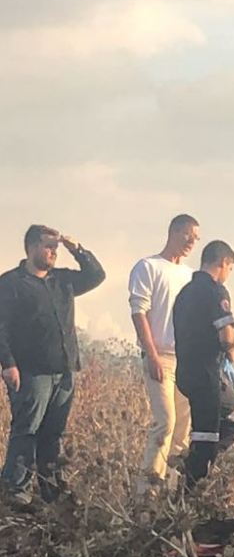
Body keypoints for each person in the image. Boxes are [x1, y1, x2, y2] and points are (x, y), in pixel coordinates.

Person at [0, 226, 106, 503]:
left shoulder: (63, 280)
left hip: (65, 370)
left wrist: (76, 248)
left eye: (56, 249)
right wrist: (8, 364)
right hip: (31, 372)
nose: (53, 253)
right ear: (32, 247)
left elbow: (97, 275)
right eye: (48, 247)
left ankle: (51, 489)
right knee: (27, 429)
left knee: (53, 433)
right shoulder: (11, 283)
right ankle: (15, 490)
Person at [129, 214, 200, 494]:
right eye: (188, 236)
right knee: (165, 422)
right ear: (173, 232)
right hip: (161, 356)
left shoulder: (191, 276)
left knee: (183, 429)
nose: (191, 243)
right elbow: (139, 312)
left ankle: (171, 490)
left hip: (186, 358)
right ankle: (147, 490)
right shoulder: (148, 267)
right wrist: (152, 354)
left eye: (196, 239)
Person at [172, 241, 234, 489]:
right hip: (207, 374)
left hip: (185, 372)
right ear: (223, 262)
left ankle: (194, 461)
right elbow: (226, 336)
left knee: (216, 425)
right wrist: (232, 347)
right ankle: (192, 490)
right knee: (217, 430)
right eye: (230, 268)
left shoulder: (184, 293)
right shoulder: (215, 291)